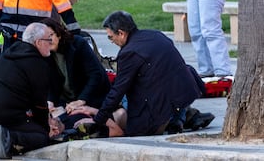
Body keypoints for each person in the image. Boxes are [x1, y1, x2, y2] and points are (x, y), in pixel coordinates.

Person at [71, 11, 206, 137]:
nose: (111, 41)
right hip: (185, 91)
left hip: (162, 104)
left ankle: (176, 118)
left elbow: (118, 90)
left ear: (121, 33)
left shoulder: (128, 53)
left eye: (111, 37)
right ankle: (181, 118)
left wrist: (99, 118)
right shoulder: (155, 34)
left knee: (127, 104)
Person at [0, 22, 54, 159]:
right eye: (49, 39)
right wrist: (45, 128)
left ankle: (5, 137)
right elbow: (39, 105)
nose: (51, 43)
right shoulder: (37, 64)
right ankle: (10, 137)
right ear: (38, 42)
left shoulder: (12, 51)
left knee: (26, 123)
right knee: (41, 136)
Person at [40, 18, 117, 133]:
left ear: (59, 34)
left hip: (91, 99)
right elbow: (51, 83)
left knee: (73, 123)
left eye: (50, 35)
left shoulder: (78, 44)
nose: (48, 40)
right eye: (44, 38)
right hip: (67, 103)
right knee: (49, 120)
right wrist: (50, 102)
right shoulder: (46, 54)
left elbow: (95, 75)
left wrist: (82, 100)